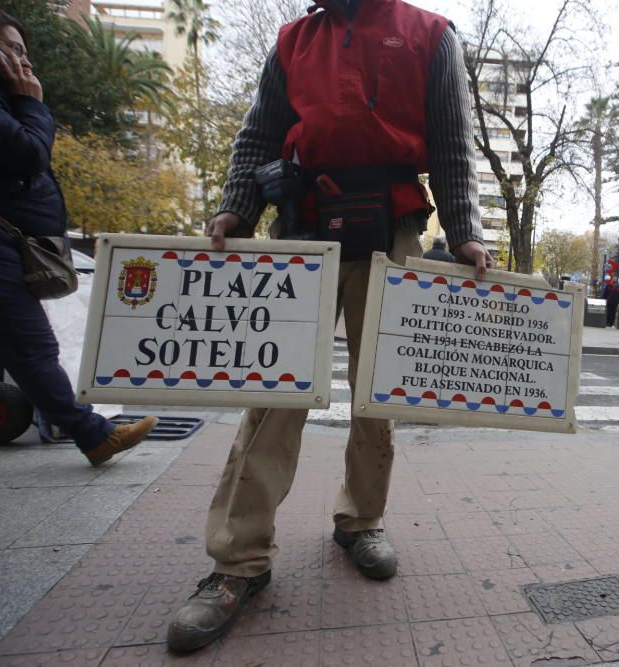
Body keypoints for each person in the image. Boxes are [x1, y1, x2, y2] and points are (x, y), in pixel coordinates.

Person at [166, 0, 491, 652]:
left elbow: (454, 144)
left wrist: (466, 235)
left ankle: (360, 518)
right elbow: (260, 134)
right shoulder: (293, 41)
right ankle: (238, 560)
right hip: (301, 230)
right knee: (272, 395)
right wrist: (236, 207)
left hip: (391, 230)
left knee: (380, 392)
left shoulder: (432, 36)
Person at [0, 1, 156, 464]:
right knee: (32, 344)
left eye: (25, 50)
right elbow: (28, 154)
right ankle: (92, 434)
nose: (24, 60)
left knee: (23, 343)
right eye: (11, 48)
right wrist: (30, 103)